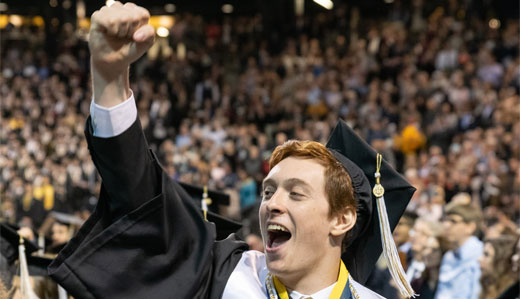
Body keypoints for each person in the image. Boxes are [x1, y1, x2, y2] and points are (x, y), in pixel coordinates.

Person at [48, 3, 416, 298]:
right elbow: (143, 200)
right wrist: (110, 82)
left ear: (342, 219)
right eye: (269, 190)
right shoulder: (224, 273)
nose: (271, 203)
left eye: (296, 193)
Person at [435, 203, 484, 299]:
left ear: (470, 227)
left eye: (453, 221)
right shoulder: (449, 256)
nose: (446, 225)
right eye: (446, 220)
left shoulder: (480, 255)